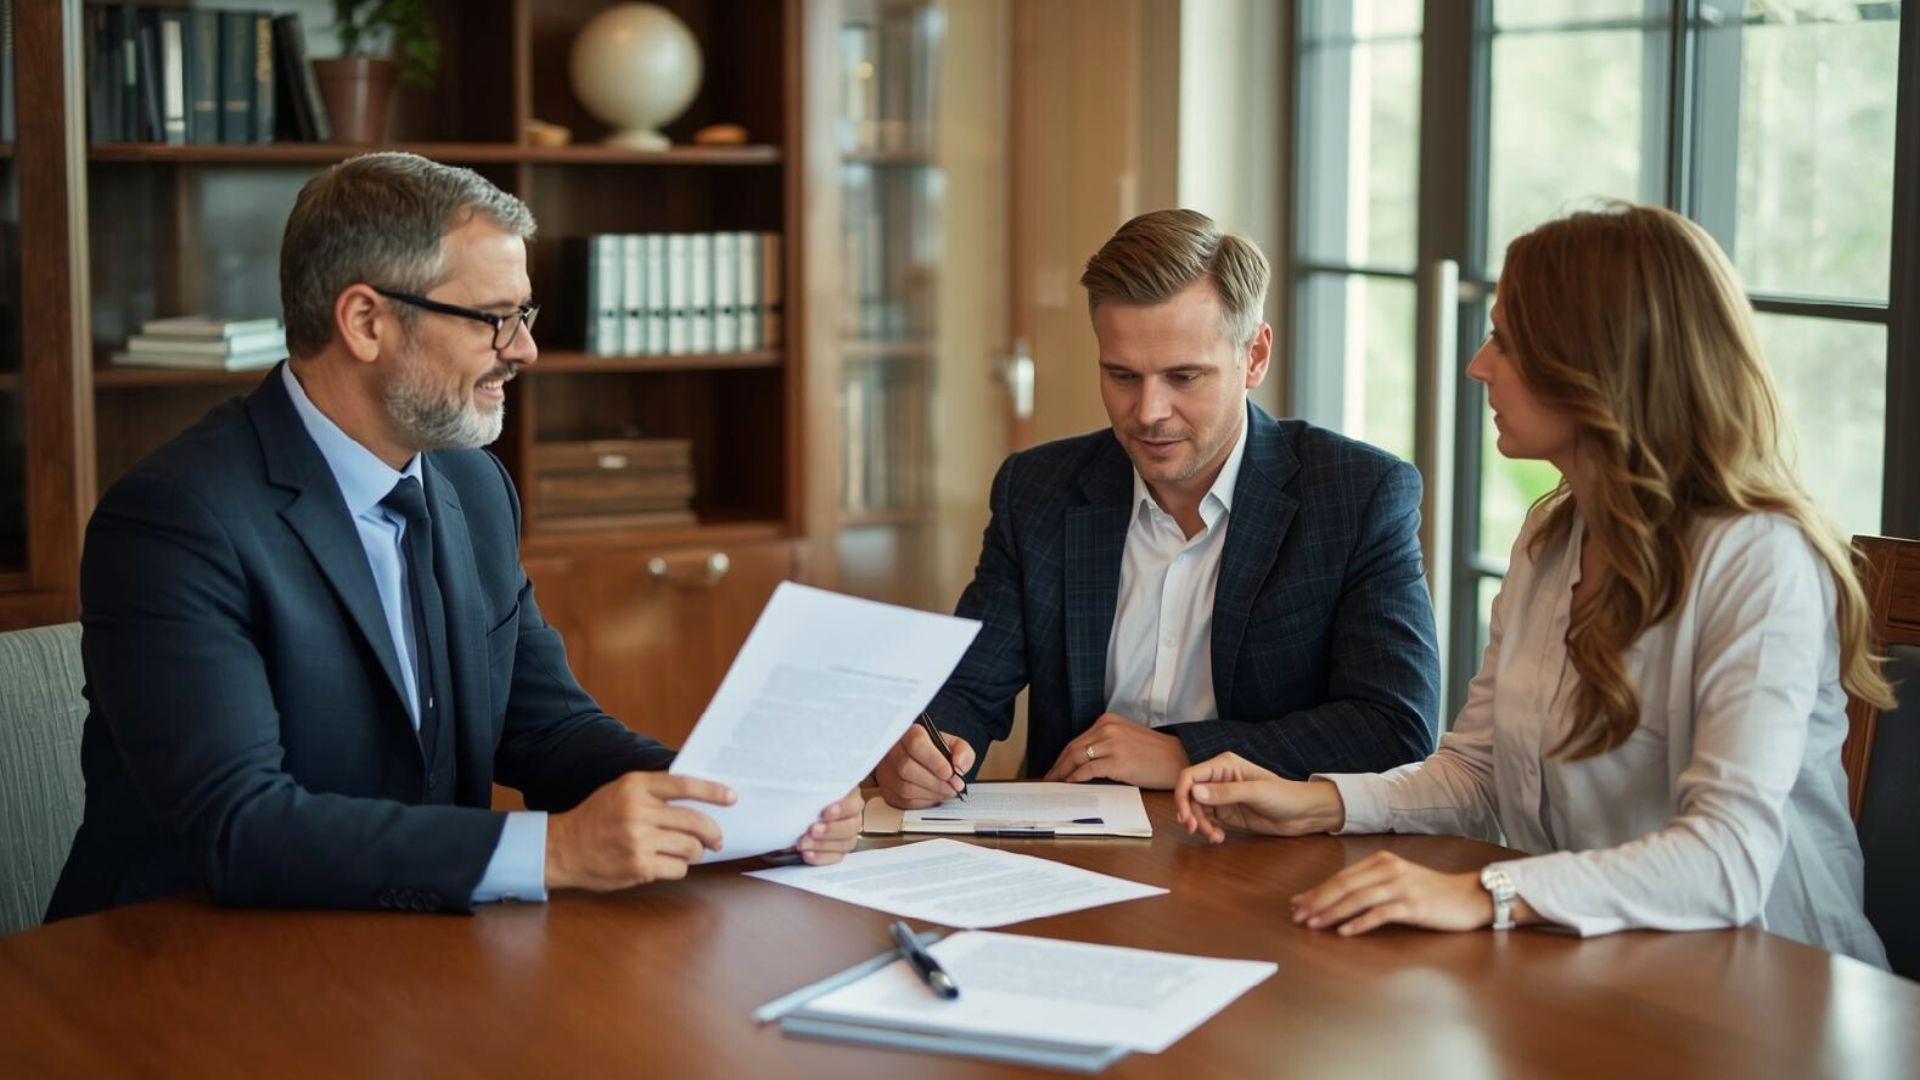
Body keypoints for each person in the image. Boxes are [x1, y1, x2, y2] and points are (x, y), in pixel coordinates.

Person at [46, 153, 859, 920]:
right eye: (495, 320)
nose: (526, 350)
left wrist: (740, 803)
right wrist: (557, 850)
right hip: (176, 973)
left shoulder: (469, 483)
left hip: (402, 952)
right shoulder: (176, 519)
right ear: (366, 321)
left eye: (525, 315)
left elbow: (547, 730)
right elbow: (241, 825)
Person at [1172, 202, 1892, 967]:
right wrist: (1318, 801)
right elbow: (1479, 770)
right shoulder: (1554, 537)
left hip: (1776, 989)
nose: (1479, 364)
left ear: (1597, 364)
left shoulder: (1761, 562)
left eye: (1506, 341)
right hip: (1610, 966)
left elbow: (1728, 860)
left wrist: (1487, 893)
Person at [876, 209, 1441, 808]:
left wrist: (1181, 754)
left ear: (1254, 356)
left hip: (1260, 853)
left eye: (1183, 377)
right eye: (1122, 375)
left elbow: (1394, 728)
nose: (1148, 411)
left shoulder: (1357, 494)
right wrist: (924, 747)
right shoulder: (1037, 489)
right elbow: (969, 687)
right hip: (1074, 850)